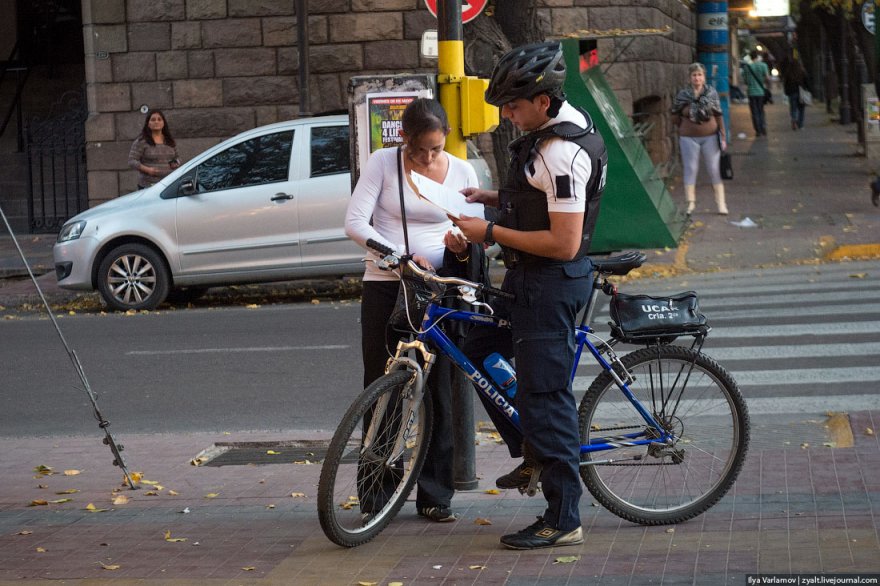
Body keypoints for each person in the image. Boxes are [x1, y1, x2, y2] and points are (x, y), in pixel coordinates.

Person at [451, 41, 607, 550]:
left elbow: (563, 242)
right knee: (475, 346)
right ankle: (534, 450)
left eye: (514, 106)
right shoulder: (553, 127)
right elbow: (541, 200)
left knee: (545, 397)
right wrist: (493, 199)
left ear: (543, 100)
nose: (507, 115)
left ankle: (564, 519)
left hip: (549, 283)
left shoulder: (562, 152)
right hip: (527, 280)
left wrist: (489, 233)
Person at [344, 98, 478, 523]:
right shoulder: (383, 164)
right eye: (420, 150)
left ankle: (436, 494)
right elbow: (355, 223)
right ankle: (378, 491)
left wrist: (460, 241)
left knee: (439, 390)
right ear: (404, 139)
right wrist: (400, 258)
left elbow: (471, 224)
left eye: (436, 149)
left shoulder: (461, 170)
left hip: (440, 292)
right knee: (384, 387)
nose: (427, 158)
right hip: (388, 286)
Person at [671, 62, 728, 215]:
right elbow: (674, 115)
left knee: (714, 169)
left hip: (710, 136)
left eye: (700, 75)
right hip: (688, 137)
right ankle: (690, 204)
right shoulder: (683, 95)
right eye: (694, 75)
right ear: (690, 78)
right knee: (690, 169)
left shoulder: (711, 93)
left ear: (704, 77)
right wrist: (684, 116)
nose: (697, 78)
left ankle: (721, 204)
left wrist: (723, 135)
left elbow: (718, 114)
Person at [128, 109, 180, 189]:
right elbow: (132, 161)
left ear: (163, 123)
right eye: (153, 120)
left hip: (169, 184)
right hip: (148, 185)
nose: (156, 122)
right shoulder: (141, 142)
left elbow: (177, 158)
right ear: (148, 124)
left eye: (159, 119)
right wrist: (148, 170)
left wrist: (175, 163)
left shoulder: (170, 141)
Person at [743, 50, 771, 137]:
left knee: (754, 112)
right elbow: (767, 78)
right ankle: (763, 128)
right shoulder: (763, 65)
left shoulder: (747, 67)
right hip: (761, 92)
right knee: (761, 111)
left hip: (751, 92)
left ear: (751, 57)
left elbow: (746, 81)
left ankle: (758, 131)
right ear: (758, 57)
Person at [782, 55, 808, 131]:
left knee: (793, 108)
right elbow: (807, 81)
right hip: (801, 92)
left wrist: (786, 92)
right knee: (801, 109)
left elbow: (785, 84)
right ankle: (801, 125)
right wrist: (808, 89)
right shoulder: (802, 71)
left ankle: (794, 119)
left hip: (792, 93)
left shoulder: (788, 73)